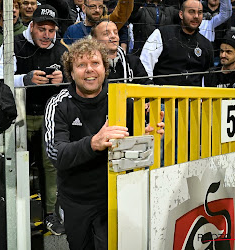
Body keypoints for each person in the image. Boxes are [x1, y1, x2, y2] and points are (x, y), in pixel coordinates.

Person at [44, 37, 164, 249]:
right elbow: (56, 154)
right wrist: (93, 142)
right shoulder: (59, 104)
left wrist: (146, 138)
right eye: (81, 65)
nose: (89, 70)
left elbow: (136, 147)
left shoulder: (124, 99)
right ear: (71, 73)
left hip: (116, 197)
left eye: (95, 63)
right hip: (75, 199)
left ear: (105, 68)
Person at [0, 4, 66, 235]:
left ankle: (51, 214)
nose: (46, 35)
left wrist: (64, 79)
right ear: (31, 26)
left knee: (51, 166)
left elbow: (77, 82)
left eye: (51, 31)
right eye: (42, 29)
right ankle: (12, 213)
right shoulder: (13, 44)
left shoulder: (61, 50)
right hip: (18, 115)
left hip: (50, 116)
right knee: (15, 166)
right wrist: (25, 79)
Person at [140, 0, 214, 86]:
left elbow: (209, 78)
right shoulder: (162, 34)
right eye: (191, 12)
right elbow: (146, 64)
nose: (196, 16)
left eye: (200, 12)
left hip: (193, 98)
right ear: (181, 14)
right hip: (162, 96)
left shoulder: (206, 44)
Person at [91, 19, 153, 84]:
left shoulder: (133, 62)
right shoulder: (90, 65)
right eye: (106, 34)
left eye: (115, 33)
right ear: (94, 40)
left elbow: (148, 86)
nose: (113, 36)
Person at [62, 0, 133, 45]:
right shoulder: (73, 30)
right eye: (93, 6)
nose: (97, 10)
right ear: (84, 8)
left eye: (101, 7)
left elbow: (122, 13)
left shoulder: (108, 25)